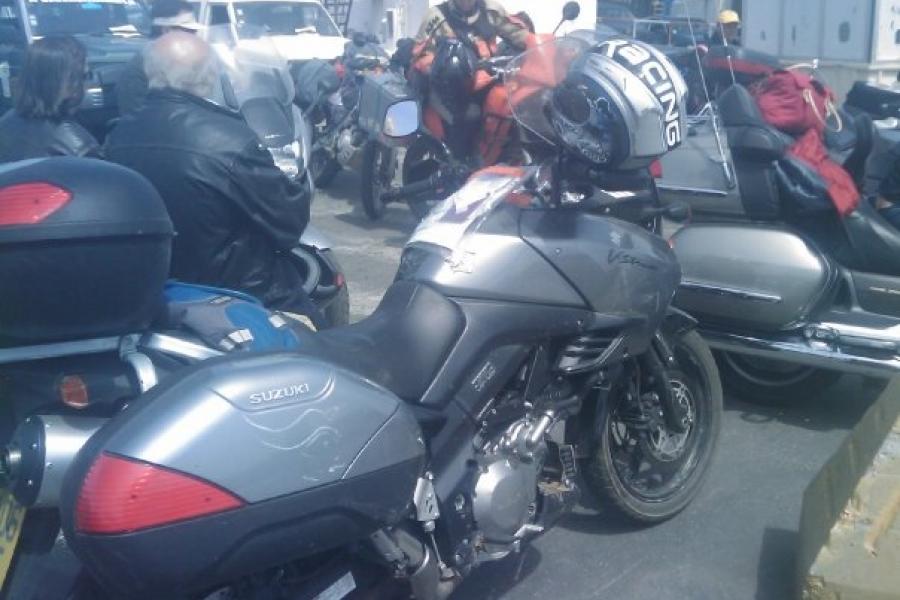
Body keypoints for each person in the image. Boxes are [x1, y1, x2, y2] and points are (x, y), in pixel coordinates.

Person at [104, 32, 324, 327]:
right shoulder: (232, 138)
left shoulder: (118, 136)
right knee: (321, 346)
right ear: (208, 76)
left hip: (154, 291)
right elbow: (289, 223)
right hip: (240, 295)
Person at [411, 0, 534, 165]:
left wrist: (543, 47)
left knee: (513, 105)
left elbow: (520, 35)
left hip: (486, 81)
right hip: (449, 89)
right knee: (471, 115)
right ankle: (460, 167)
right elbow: (420, 55)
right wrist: (446, 65)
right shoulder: (436, 16)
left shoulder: (491, 11)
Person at [0, 35, 100, 162]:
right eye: (86, 75)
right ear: (68, 84)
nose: (89, 83)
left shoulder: (6, 123)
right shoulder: (79, 148)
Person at [116, 0, 202, 116]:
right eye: (189, 31)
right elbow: (137, 118)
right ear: (166, 30)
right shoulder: (144, 67)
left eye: (195, 31)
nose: (194, 36)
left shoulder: (177, 59)